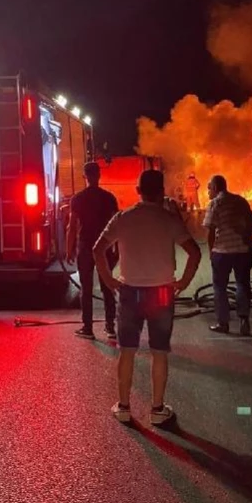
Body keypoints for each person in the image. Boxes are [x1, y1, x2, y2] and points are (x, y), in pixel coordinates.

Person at [93, 169, 201, 425]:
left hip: (129, 291)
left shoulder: (123, 218)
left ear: (138, 191)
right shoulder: (169, 219)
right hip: (162, 292)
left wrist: (109, 280)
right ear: (162, 191)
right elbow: (194, 253)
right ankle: (157, 409)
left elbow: (98, 249)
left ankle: (124, 407)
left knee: (127, 351)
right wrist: (183, 282)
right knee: (159, 352)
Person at [67, 161, 119, 340]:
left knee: (86, 288)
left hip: (86, 246)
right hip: (105, 247)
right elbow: (115, 224)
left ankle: (87, 328)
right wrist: (116, 248)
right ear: (99, 175)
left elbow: (72, 227)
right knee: (107, 287)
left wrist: (69, 249)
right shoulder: (109, 197)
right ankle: (110, 327)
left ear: (85, 176)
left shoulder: (78, 199)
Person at [203, 175, 252, 336]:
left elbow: (210, 231)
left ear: (214, 188)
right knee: (242, 283)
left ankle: (223, 323)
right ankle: (244, 321)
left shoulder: (215, 204)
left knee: (220, 287)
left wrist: (211, 251)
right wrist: (246, 238)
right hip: (243, 251)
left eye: (208, 188)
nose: (207, 192)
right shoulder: (241, 201)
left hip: (222, 252)